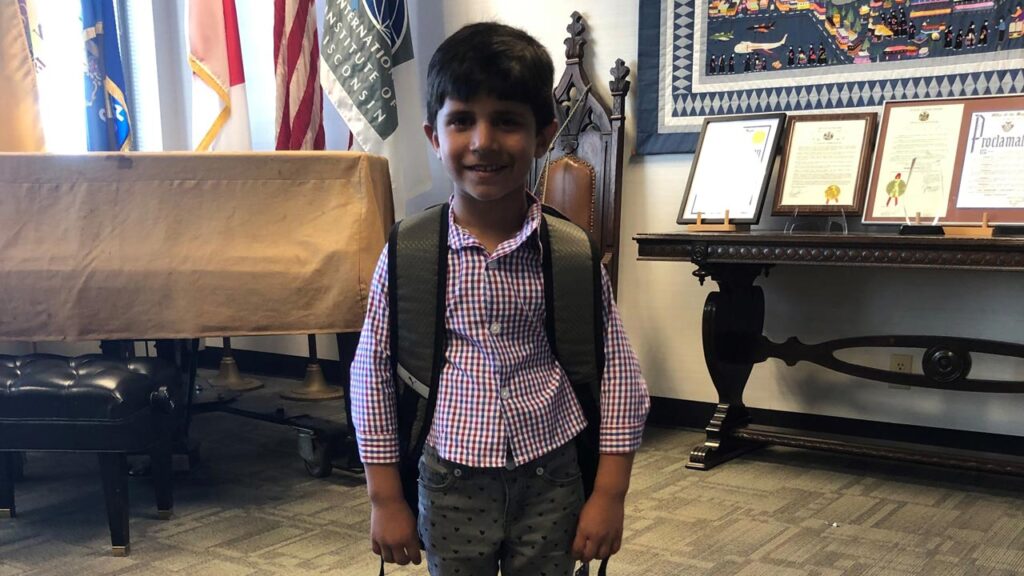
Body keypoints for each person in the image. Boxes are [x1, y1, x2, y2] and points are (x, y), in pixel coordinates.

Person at [350, 21, 650, 576]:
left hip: (553, 472)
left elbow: (620, 380)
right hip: (450, 477)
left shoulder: (568, 252)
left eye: (507, 122)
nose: (483, 141)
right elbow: (370, 376)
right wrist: (385, 499)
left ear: (542, 135)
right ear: (434, 136)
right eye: (462, 120)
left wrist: (609, 494)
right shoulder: (410, 252)